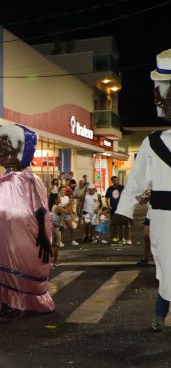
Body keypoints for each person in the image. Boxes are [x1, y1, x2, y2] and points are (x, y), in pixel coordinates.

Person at [110, 48, 171, 331]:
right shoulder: (151, 143)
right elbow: (136, 182)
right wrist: (124, 209)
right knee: (168, 269)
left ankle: (159, 314)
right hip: (163, 218)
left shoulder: (151, 142)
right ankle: (160, 314)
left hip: (162, 217)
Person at [0, 123, 53, 316]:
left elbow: (40, 208)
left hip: (23, 237)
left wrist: (42, 234)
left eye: (7, 144)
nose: (1, 149)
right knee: (2, 269)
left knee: (21, 266)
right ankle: (6, 301)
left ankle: (20, 302)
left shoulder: (29, 179)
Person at [106, 176, 125, 243]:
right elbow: (106, 199)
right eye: (114, 180)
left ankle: (121, 238)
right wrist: (109, 206)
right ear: (112, 181)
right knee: (114, 225)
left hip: (121, 209)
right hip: (113, 209)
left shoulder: (122, 187)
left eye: (117, 180)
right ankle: (115, 238)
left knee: (121, 225)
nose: (116, 181)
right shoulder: (110, 189)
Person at [50, 195, 64, 266]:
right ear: (55, 199)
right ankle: (50, 261)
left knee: (55, 245)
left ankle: (55, 261)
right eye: (59, 198)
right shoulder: (57, 207)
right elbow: (68, 212)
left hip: (54, 227)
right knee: (56, 245)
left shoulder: (54, 206)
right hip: (56, 228)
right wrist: (71, 204)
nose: (60, 199)